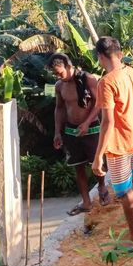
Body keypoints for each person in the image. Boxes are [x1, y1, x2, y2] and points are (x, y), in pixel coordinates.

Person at [91, 37, 133, 247]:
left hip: (118, 145)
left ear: (100, 57)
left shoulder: (106, 82)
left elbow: (108, 122)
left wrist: (98, 155)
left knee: (125, 191)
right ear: (119, 52)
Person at [49, 53, 109, 215]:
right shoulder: (59, 86)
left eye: (59, 72)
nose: (58, 76)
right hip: (71, 130)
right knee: (78, 167)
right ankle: (86, 202)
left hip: (92, 129)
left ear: (69, 67)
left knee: (97, 162)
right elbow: (59, 108)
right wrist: (57, 132)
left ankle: (102, 188)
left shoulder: (88, 79)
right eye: (55, 74)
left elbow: (99, 103)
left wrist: (87, 122)